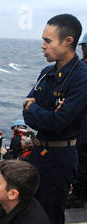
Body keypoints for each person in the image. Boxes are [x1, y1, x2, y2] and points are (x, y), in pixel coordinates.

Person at [23, 14, 87, 224]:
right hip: (39, 154)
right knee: (32, 215)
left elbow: (58, 122)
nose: (43, 46)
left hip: (60, 158)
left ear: (68, 41)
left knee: (51, 220)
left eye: (48, 41)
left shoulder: (82, 78)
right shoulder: (46, 73)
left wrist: (34, 109)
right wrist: (39, 113)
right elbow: (28, 115)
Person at [66, 34, 87, 209]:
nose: (82, 49)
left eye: (84, 46)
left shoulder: (82, 71)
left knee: (82, 155)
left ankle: (79, 194)